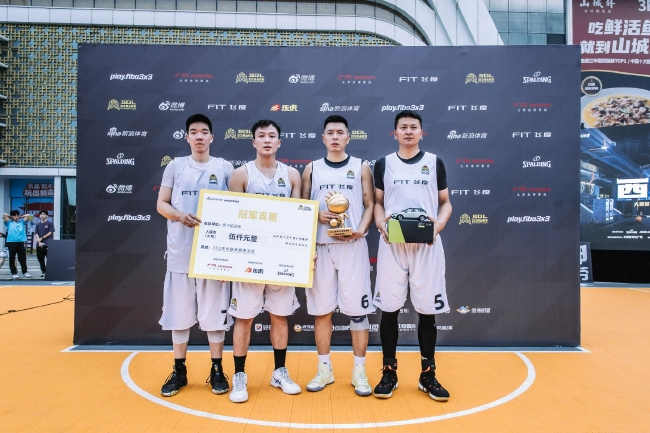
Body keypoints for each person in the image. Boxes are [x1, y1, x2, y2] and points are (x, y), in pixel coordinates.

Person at [372, 110, 452, 401]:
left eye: (413, 127)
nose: (408, 131)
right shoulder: (384, 164)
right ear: (394, 133)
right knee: (389, 309)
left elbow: (445, 202)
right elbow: (378, 203)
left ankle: (427, 374)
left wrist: (438, 225)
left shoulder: (434, 162)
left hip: (426, 245)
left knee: (427, 311)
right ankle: (389, 372)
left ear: (421, 132)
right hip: (393, 243)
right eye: (403, 127)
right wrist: (379, 222)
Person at [156, 113, 234, 397]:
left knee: (215, 316)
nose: (199, 136)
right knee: (179, 315)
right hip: (181, 253)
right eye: (193, 132)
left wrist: (228, 260)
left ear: (212, 137)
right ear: (186, 137)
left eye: (204, 132)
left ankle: (217, 370)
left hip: (213, 257)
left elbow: (236, 209)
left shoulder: (224, 167)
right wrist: (179, 215)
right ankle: (179, 370)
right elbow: (161, 204)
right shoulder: (175, 166)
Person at [227, 119, 302, 403]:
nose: (267, 140)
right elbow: (232, 220)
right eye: (262, 136)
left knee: (279, 316)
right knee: (244, 318)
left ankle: (279, 372)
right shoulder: (241, 175)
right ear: (254, 142)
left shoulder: (291, 175)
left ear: (279, 142)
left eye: (272, 136)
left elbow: (299, 217)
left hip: (281, 258)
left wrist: (302, 254)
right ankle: (239, 376)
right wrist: (228, 261)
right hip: (250, 259)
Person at [300, 115, 375, 396]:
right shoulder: (311, 169)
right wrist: (315, 215)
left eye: (340, 132)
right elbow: (301, 207)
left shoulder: (360, 167)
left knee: (357, 312)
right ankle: (324, 369)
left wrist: (361, 230)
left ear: (348, 137)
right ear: (323, 138)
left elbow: (370, 203)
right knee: (322, 312)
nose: (334, 137)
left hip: (352, 246)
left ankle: (359, 371)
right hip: (320, 247)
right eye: (330, 132)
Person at [3, 210, 32, 279]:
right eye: (14, 215)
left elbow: (29, 216)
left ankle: (25, 272)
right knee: (12, 258)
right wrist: (11, 217)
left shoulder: (22, 222)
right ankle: (14, 273)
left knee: (22, 258)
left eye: (17, 215)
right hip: (11, 242)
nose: (16, 217)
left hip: (20, 242)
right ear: (11, 216)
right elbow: (4, 214)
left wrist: (20, 217)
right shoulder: (9, 223)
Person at [34, 210, 55, 277]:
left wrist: (42, 238)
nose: (42, 215)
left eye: (44, 214)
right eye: (41, 214)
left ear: (47, 216)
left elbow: (50, 233)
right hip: (39, 245)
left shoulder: (50, 223)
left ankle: (50, 271)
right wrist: (39, 241)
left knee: (49, 258)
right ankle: (43, 271)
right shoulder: (38, 224)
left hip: (47, 243)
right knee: (40, 258)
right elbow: (36, 233)